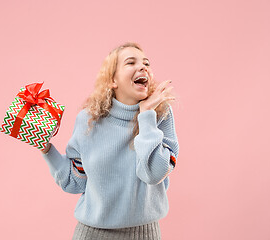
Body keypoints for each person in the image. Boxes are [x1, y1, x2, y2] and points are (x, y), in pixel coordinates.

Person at [41, 42, 179, 240]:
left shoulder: (160, 115)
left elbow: (154, 173)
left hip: (145, 235)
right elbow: (74, 182)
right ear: (113, 79)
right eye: (131, 62)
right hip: (92, 234)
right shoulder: (89, 119)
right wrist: (46, 148)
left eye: (146, 64)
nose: (143, 67)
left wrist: (146, 115)